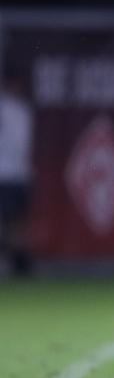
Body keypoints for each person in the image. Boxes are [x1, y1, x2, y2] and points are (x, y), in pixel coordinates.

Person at [0, 69, 34, 276]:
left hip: (18, 174)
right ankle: (5, 260)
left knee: (17, 220)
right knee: (5, 221)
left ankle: (15, 262)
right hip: (3, 173)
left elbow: (24, 145)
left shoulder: (22, 111)